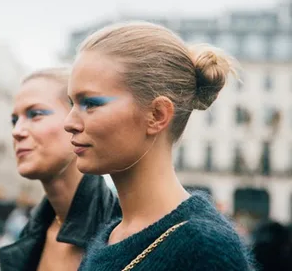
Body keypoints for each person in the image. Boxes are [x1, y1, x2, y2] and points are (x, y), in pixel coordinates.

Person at [65, 21, 254, 270]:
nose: (69, 122)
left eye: (91, 103)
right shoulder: (110, 236)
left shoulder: (205, 247)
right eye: (72, 103)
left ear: (157, 115)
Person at [0, 68, 120, 271]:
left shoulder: (122, 230)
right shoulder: (32, 232)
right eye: (14, 120)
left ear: (77, 120)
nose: (17, 131)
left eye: (35, 114)